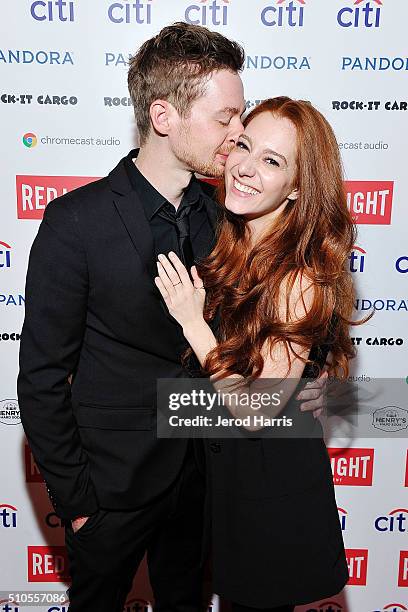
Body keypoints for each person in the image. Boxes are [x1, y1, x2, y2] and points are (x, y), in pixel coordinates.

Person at [18, 23, 326, 612]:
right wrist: (81, 503)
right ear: (164, 116)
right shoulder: (76, 223)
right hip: (112, 492)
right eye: (226, 119)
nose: (238, 136)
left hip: (209, 485)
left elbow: (291, 310)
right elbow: (40, 380)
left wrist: (308, 387)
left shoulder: (232, 215)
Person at [155, 96, 355, 611]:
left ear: (298, 188)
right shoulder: (233, 240)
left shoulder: (298, 276)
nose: (245, 167)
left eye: (273, 161)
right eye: (244, 145)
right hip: (226, 493)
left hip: (271, 502)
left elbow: (255, 409)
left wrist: (193, 322)